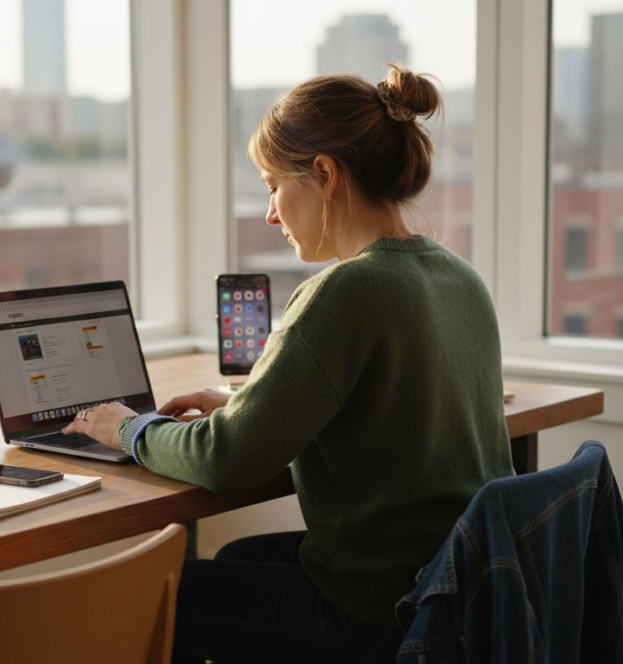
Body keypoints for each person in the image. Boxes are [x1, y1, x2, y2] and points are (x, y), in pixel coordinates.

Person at [63, 64, 514, 663]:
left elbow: (228, 458)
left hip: (382, 611)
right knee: (234, 561)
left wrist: (127, 427)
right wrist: (245, 407)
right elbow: (392, 408)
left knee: (159, 592)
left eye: (273, 186)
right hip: (457, 589)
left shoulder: (345, 292)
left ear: (324, 173)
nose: (271, 214)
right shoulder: (460, 278)